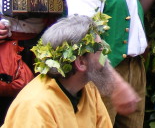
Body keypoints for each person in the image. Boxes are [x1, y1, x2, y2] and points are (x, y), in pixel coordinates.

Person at [3, 13, 139, 127]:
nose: (105, 55)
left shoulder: (88, 89)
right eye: (100, 49)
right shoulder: (36, 106)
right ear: (80, 62)